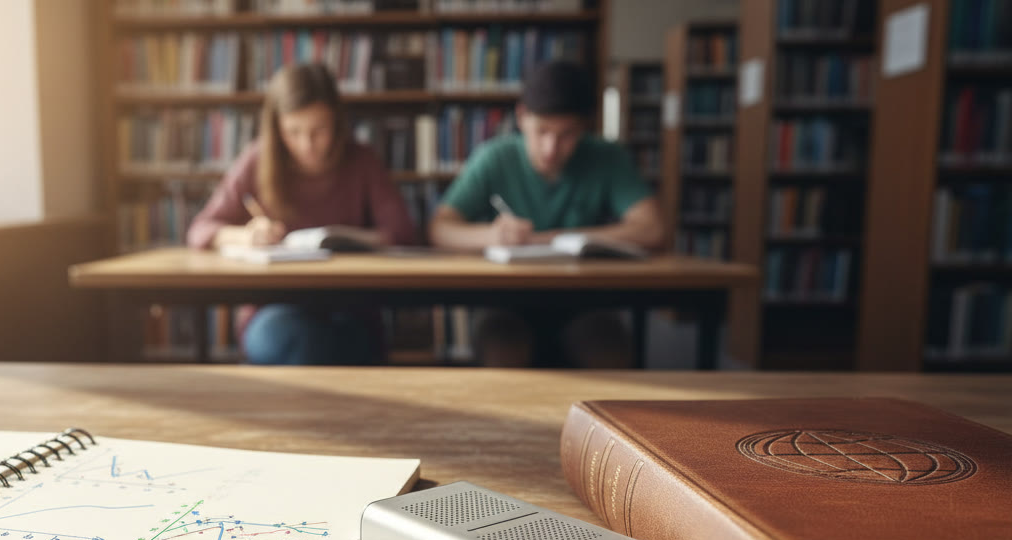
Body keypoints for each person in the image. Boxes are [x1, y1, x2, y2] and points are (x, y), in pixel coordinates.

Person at [429, 59, 665, 368]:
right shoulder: (494, 157)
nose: (551, 148)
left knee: (610, 356)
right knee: (503, 354)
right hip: (506, 302)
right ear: (522, 117)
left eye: (567, 134)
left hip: (586, 302)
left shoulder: (607, 157)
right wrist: (491, 235)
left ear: (584, 127)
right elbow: (440, 228)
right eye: (542, 131)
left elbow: (652, 229)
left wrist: (552, 238)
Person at [186, 63, 419, 365]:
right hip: (273, 308)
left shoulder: (361, 160)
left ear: (337, 122)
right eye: (293, 132)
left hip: (349, 307)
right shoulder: (258, 159)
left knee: (346, 340)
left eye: (319, 130)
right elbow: (201, 229)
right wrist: (246, 235)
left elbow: (403, 232)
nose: (306, 144)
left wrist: (349, 240)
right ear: (277, 127)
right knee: (304, 340)